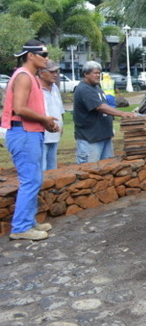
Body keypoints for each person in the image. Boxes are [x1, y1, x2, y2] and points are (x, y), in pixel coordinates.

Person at [1, 40, 60, 240]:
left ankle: (28, 221)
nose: (47, 59)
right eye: (44, 55)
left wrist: (45, 123)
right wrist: (44, 119)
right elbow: (20, 109)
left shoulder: (30, 77)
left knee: (35, 179)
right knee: (30, 180)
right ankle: (20, 228)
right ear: (31, 56)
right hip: (23, 133)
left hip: (30, 132)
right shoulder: (24, 76)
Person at [73, 61, 138, 164]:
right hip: (90, 139)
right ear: (85, 74)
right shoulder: (84, 89)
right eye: (95, 73)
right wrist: (122, 114)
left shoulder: (96, 88)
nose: (98, 75)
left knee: (106, 170)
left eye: (99, 73)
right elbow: (100, 107)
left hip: (104, 137)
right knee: (90, 172)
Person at [39, 59, 66, 170]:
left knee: (52, 169)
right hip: (41, 135)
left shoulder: (54, 87)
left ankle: (51, 188)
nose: (55, 75)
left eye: (56, 72)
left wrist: (62, 124)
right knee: (42, 168)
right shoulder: (36, 88)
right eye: (51, 72)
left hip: (55, 134)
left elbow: (60, 108)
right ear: (41, 73)